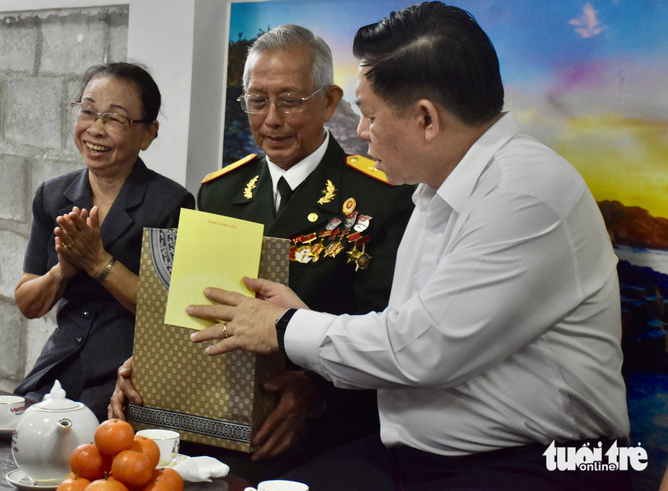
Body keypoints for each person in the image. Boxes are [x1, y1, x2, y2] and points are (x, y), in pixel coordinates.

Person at [186, 3, 632, 490]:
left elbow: (419, 350)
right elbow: (401, 328)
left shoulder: (523, 194)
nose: (361, 132)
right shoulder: (437, 189)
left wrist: (286, 325)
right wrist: (296, 316)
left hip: (543, 462)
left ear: (426, 119)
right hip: (418, 452)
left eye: (371, 116)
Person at [109, 25, 414, 480]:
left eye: (289, 101)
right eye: (256, 101)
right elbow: (194, 311)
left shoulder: (381, 196)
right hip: (215, 418)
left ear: (329, 102)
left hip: (325, 431)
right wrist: (151, 364)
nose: (270, 119)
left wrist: (313, 390)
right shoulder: (219, 191)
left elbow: (390, 335)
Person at [14, 62, 195, 421]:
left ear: (148, 133)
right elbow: (28, 303)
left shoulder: (171, 204)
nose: (95, 129)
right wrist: (61, 272)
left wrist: (99, 263)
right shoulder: (52, 196)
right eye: (88, 111)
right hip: (59, 367)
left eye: (114, 118)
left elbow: (175, 318)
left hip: (131, 376)